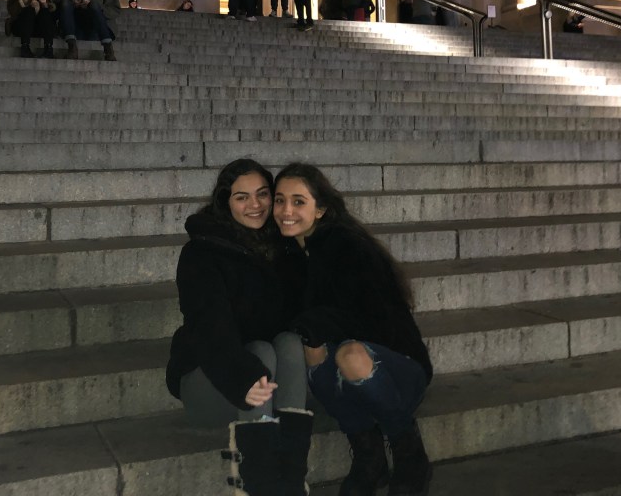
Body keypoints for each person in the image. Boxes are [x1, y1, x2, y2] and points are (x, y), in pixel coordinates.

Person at [274, 163, 433, 496]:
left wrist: (313, 321)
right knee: (310, 343)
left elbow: (374, 320)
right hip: (348, 375)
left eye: (299, 201)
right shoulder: (289, 253)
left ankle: (409, 452)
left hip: (398, 370)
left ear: (321, 209)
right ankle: (368, 455)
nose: (286, 211)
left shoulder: (348, 247)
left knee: (349, 352)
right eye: (279, 200)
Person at [166, 159, 311, 495]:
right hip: (211, 381)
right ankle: (257, 483)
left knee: (289, 342)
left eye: (262, 194)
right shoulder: (201, 253)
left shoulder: (284, 247)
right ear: (225, 202)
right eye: (241, 197)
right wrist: (240, 377)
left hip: (266, 383)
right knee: (260, 351)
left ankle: (291, 478)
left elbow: (302, 314)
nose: (255, 205)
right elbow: (207, 326)